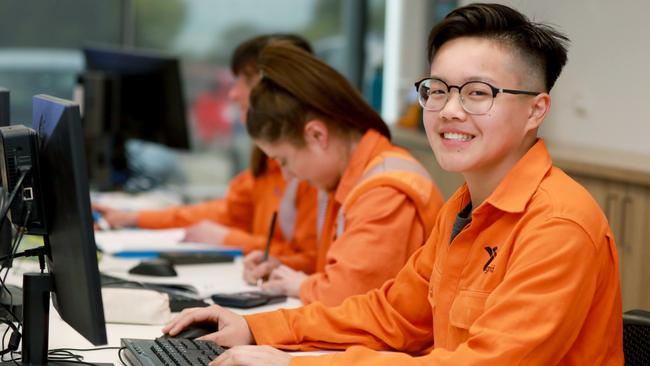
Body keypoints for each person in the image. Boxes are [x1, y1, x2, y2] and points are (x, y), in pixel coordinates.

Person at [163, 3, 624, 365]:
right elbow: (393, 315)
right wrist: (257, 329)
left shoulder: (558, 226)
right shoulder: (463, 209)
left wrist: (289, 364)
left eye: (478, 93)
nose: (450, 110)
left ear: (536, 110)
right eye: (438, 90)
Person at [239, 42, 443, 306]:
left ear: (316, 135)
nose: (288, 175)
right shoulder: (347, 179)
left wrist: (300, 285)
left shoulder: (384, 194)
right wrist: (283, 268)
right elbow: (343, 265)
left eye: (284, 161)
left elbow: (346, 297)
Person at [95, 34, 320, 273]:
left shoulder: (311, 166)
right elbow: (227, 212)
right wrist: (134, 218)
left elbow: (310, 260)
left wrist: (228, 239)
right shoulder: (267, 161)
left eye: (245, 80)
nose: (233, 94)